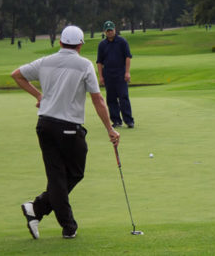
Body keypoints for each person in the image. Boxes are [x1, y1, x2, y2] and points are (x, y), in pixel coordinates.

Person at [11, 26, 120, 239]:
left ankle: (38, 210)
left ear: (60, 42)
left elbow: (17, 75)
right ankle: (60, 221)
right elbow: (97, 99)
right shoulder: (84, 65)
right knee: (73, 173)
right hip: (68, 127)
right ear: (80, 45)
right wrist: (110, 128)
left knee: (56, 176)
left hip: (44, 125)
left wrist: (39, 96)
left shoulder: (45, 61)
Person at [97, 20, 135, 128]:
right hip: (108, 75)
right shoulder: (102, 45)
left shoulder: (122, 41)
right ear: (105, 31)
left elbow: (128, 57)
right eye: (107, 30)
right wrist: (101, 77)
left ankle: (129, 120)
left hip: (121, 74)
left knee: (123, 97)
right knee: (111, 99)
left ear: (115, 30)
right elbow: (99, 62)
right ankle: (116, 120)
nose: (109, 32)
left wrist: (127, 72)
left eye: (111, 30)